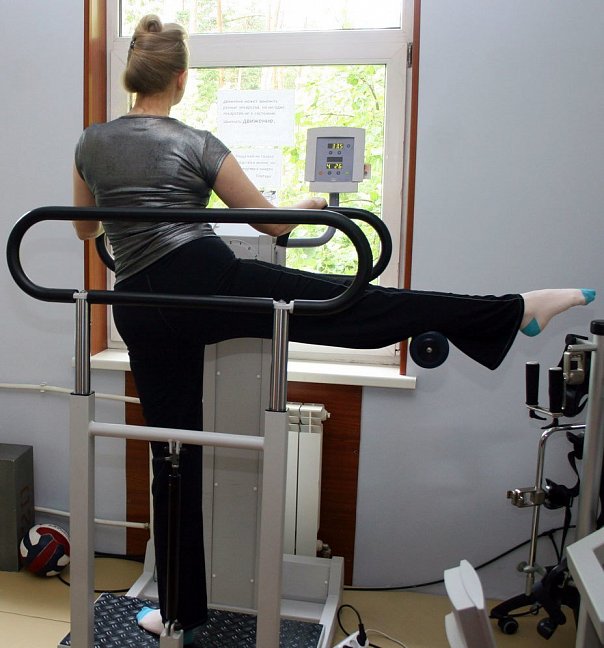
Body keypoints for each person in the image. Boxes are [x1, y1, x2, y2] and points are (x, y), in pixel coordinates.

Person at [72, 14, 595, 644]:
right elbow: (271, 225)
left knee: (172, 451)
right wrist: (308, 205)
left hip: (136, 303)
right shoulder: (196, 141)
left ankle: (179, 609)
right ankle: (513, 310)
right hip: (203, 280)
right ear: (181, 78)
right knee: (351, 307)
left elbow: (84, 227)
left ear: (132, 76)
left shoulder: (91, 142)